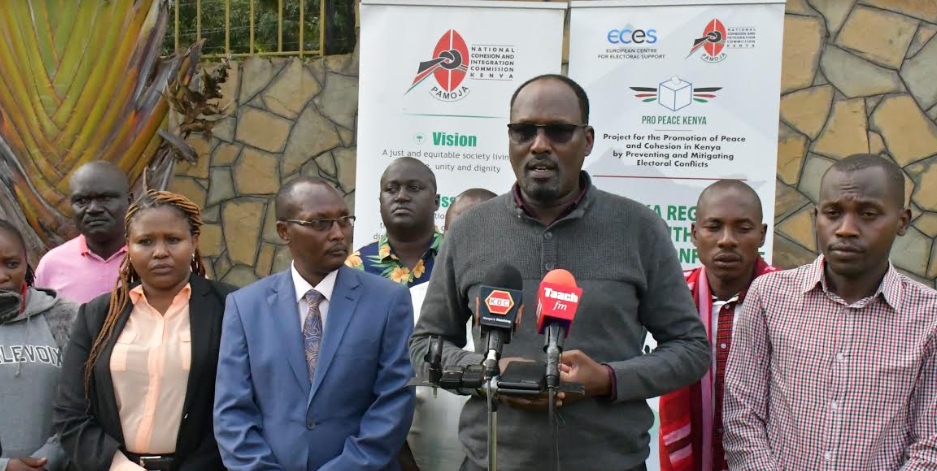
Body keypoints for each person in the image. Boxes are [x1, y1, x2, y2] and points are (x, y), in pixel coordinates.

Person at [409, 74, 710, 471]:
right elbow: (425, 344)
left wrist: (608, 378)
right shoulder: (470, 230)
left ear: (587, 141)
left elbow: (690, 349)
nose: (539, 145)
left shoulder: (640, 228)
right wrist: (488, 372)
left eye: (558, 131)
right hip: (494, 461)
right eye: (523, 132)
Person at [724, 154, 937, 469]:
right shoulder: (768, 296)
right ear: (816, 217)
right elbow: (741, 414)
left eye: (868, 213)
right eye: (833, 213)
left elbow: (931, 445)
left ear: (902, 221)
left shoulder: (929, 316)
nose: (846, 229)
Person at [214, 177, 415, 471]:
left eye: (344, 220)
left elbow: (394, 404)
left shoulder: (388, 301)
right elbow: (232, 413)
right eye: (320, 223)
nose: (338, 234)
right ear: (284, 231)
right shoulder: (245, 307)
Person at [55, 190, 235, 471]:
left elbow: (244, 407)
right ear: (128, 245)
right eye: (146, 241)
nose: (160, 252)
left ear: (194, 241)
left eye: (173, 239)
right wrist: (119, 466)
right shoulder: (98, 315)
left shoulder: (230, 308)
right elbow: (70, 412)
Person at [658, 181, 776, 471]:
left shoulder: (787, 300)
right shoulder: (670, 297)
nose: (727, 240)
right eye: (714, 227)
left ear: (762, 235)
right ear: (694, 233)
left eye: (743, 229)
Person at [0, 220, 78, 471]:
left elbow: (83, 401)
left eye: (12, 264)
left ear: (26, 263)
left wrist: (48, 459)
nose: (2, 276)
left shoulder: (65, 317)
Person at [35, 161, 131, 304]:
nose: (93, 209)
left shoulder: (150, 259)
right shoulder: (51, 265)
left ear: (129, 201)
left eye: (105, 198)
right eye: (81, 201)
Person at [345, 157, 442, 287]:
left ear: (436, 201)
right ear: (380, 201)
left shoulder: (459, 257)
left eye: (414, 188)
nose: (401, 196)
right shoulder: (355, 267)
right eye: (391, 189)